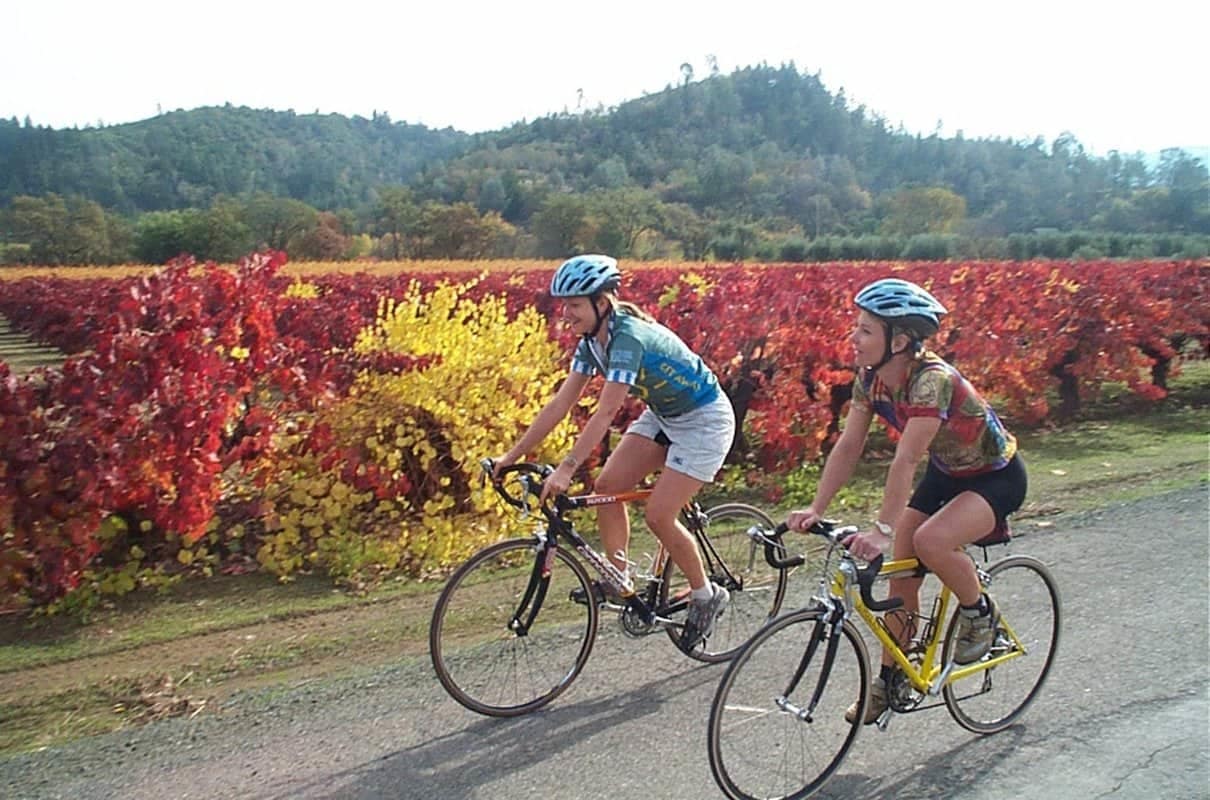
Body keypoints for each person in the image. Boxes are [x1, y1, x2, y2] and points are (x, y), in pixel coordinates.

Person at [787, 277, 1027, 724]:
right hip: (947, 472)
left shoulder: (930, 381)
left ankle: (979, 615)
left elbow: (906, 459)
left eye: (865, 330)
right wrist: (817, 507)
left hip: (996, 476)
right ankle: (890, 680)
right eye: (855, 327)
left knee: (930, 541)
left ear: (898, 341)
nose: (853, 338)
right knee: (902, 577)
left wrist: (880, 530)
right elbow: (849, 445)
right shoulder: (870, 379)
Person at [494, 254, 736, 650]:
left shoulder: (628, 339)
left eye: (574, 306)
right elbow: (560, 404)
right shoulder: (592, 341)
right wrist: (512, 454)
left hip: (704, 421)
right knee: (607, 487)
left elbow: (606, 410)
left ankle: (706, 594)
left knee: (659, 515)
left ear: (601, 303)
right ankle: (620, 577)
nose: (566, 314)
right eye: (564, 305)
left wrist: (567, 468)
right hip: (664, 414)